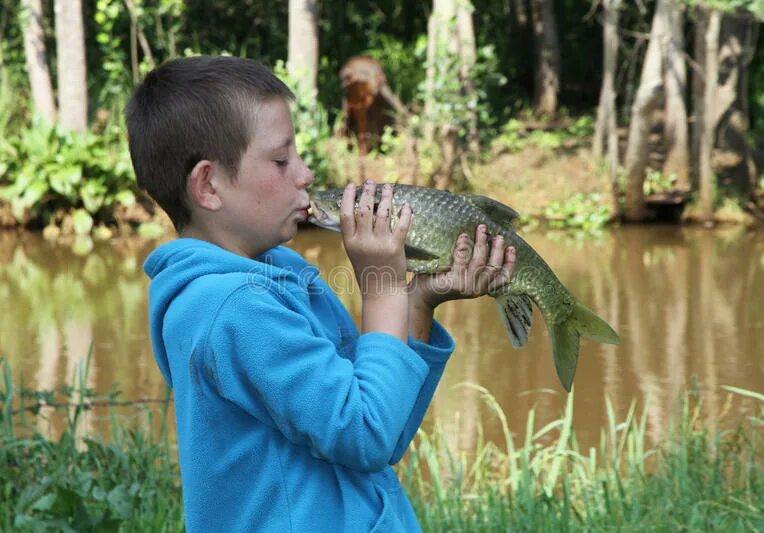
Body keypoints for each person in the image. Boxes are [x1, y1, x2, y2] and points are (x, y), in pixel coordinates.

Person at [125, 55, 516, 532]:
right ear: (208, 185)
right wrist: (383, 287)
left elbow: (380, 425)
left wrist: (416, 302)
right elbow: (365, 434)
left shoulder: (281, 274)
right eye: (281, 159)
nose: (306, 174)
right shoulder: (232, 309)